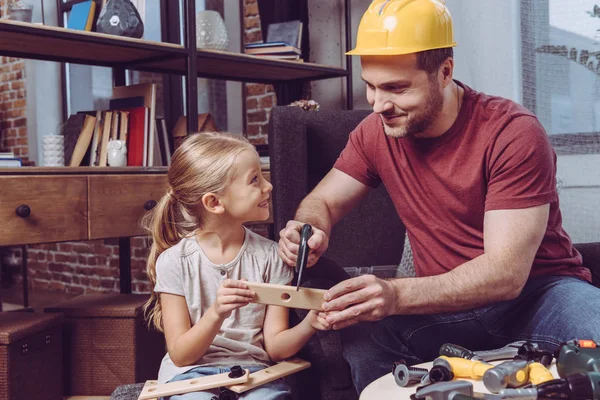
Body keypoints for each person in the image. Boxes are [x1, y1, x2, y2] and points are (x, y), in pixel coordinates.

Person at [277, 0, 600, 394]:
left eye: (396, 88)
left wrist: (394, 293)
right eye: (371, 86)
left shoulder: (512, 133)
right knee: (362, 337)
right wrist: (308, 227)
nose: (379, 104)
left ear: (444, 72)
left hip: (541, 295)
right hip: (445, 311)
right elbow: (323, 201)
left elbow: (505, 275)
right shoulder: (374, 132)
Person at [143, 132, 329, 399]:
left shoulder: (271, 257)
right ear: (214, 203)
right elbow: (182, 356)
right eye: (254, 179)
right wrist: (217, 311)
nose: (269, 186)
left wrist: (311, 322)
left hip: (255, 373)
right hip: (189, 376)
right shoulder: (174, 262)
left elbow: (275, 347)